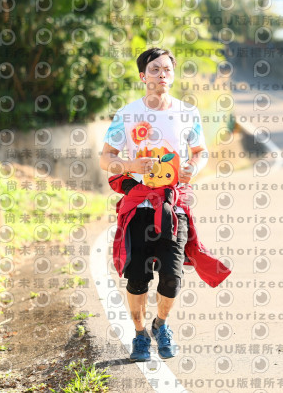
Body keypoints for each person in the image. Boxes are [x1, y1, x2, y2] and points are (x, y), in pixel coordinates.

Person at [99, 47, 231, 362]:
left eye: (167, 69)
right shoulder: (127, 115)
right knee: (137, 277)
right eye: (155, 69)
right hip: (139, 206)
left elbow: (200, 152)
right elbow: (106, 158)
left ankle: (161, 324)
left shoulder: (187, 113)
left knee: (172, 277)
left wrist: (193, 168)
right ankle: (140, 334)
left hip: (173, 206)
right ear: (142, 76)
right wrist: (130, 166)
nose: (161, 75)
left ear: (172, 75)